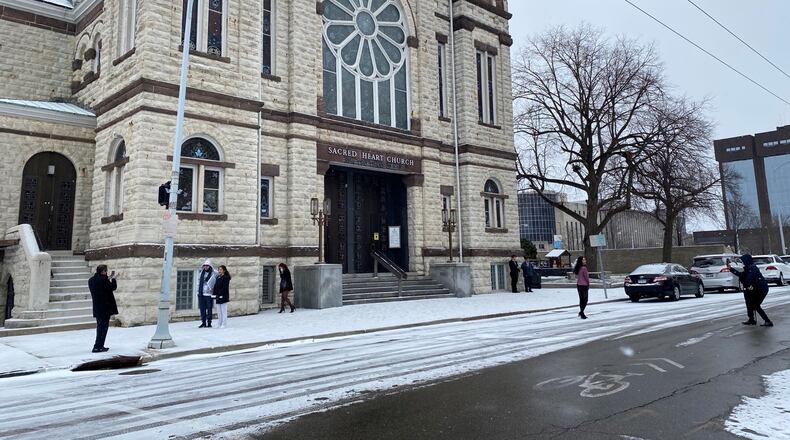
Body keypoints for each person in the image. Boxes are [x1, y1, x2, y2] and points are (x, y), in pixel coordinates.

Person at [729, 254, 773, 327]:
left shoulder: (752, 268)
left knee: (755, 305)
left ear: (747, 260)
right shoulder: (747, 268)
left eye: (743, 261)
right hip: (754, 288)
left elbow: (749, 279)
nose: (742, 262)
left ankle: (767, 321)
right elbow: (742, 275)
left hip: (761, 289)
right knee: (749, 303)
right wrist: (731, 269)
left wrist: (746, 285)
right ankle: (751, 319)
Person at [88, 264, 118, 353]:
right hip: (105, 307)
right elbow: (112, 287)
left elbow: (102, 286)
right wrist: (113, 279)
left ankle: (98, 346)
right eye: (106, 271)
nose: (106, 272)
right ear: (103, 271)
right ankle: (98, 346)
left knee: (99, 327)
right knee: (103, 328)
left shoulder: (91, 280)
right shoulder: (104, 280)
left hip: (97, 307)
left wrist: (108, 278)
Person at [197, 259, 218, 328]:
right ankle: (203, 322)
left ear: (210, 266)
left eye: (207, 266)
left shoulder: (213, 273)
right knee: (202, 309)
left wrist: (212, 269)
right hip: (201, 293)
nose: (205, 267)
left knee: (209, 309)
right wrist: (198, 291)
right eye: (204, 266)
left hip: (209, 294)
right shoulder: (201, 273)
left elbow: (217, 273)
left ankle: (209, 322)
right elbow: (198, 283)